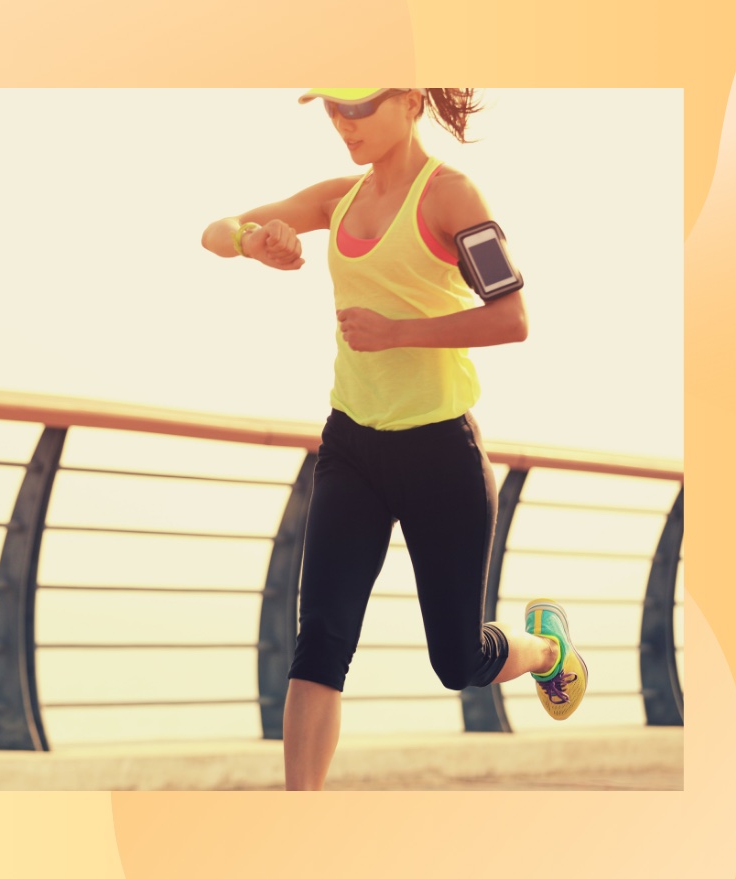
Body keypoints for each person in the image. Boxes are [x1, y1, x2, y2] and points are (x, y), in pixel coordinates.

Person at [201, 88, 588, 791]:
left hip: (439, 452)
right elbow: (215, 229)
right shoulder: (336, 200)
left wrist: (400, 332)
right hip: (352, 446)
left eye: (360, 105)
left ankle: (547, 648)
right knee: (319, 641)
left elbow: (512, 318)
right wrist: (252, 242)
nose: (344, 123)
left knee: (459, 660)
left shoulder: (452, 198)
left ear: (409, 97)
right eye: (332, 109)